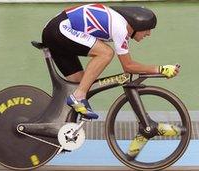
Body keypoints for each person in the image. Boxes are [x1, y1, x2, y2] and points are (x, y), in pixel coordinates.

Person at [42, 4, 180, 120]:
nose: (148, 34)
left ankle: (60, 129)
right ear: (138, 25)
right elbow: (128, 66)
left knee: (81, 82)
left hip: (55, 30)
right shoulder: (121, 27)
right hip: (59, 29)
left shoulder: (118, 23)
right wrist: (160, 69)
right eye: (147, 29)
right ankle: (78, 96)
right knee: (106, 53)